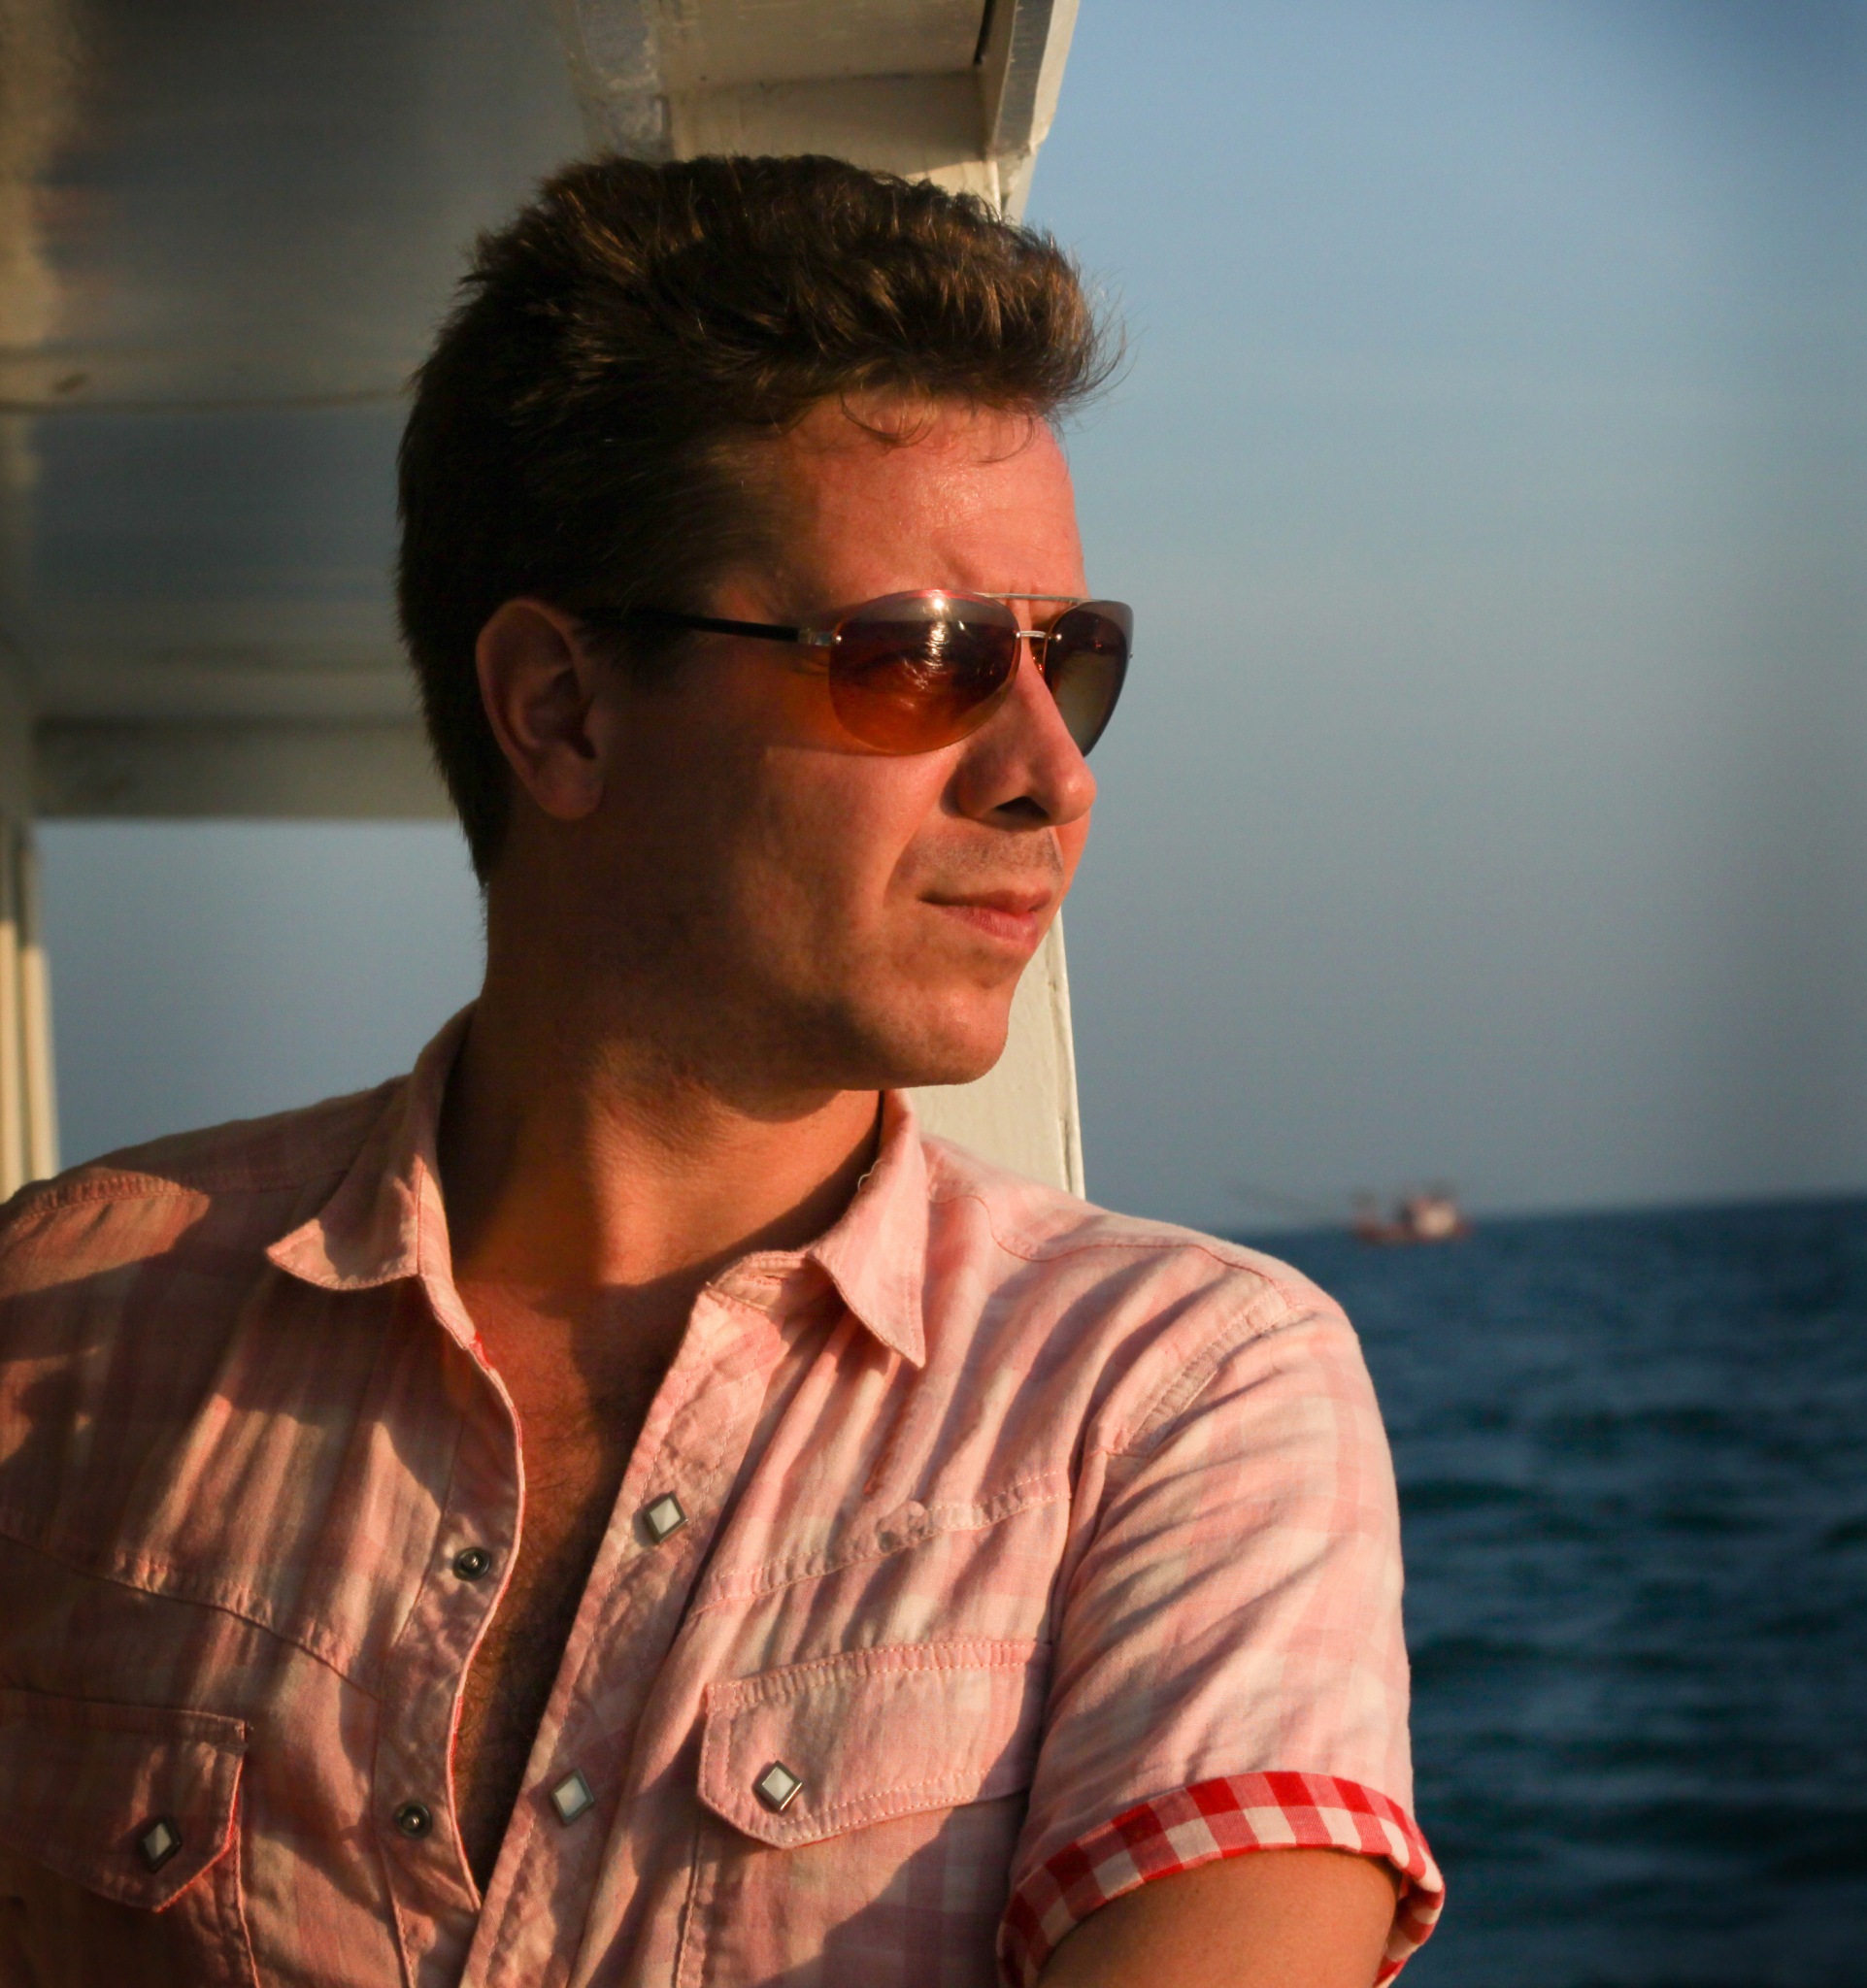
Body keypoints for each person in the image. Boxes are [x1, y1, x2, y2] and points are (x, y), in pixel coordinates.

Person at [0, 155, 1441, 1987]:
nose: (1051, 774)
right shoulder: (67, 1322)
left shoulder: (1168, 1400)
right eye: (920, 657)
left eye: (1070, 659)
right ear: (562, 710)